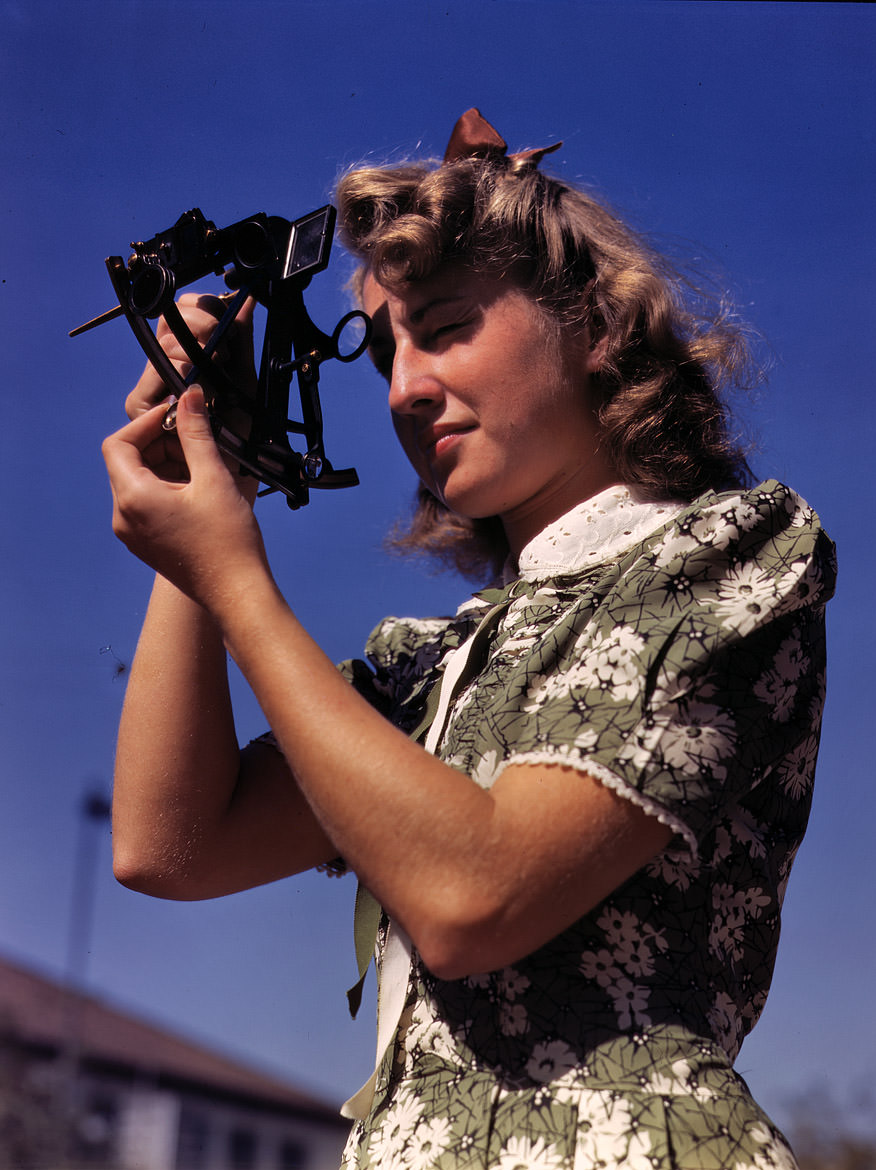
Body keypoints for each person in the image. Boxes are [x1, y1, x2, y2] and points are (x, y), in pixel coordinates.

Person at [102, 109, 836, 1169]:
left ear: (594, 323)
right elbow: (171, 844)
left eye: (445, 329)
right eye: (382, 352)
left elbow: (472, 899)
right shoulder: (436, 663)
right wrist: (211, 486)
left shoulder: (730, 552)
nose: (403, 388)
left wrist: (236, 581)